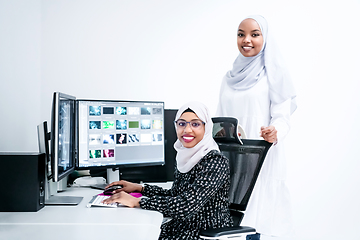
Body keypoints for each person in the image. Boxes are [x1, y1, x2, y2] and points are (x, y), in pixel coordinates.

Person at [216, 15, 297, 239]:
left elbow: (283, 117)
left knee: (261, 221)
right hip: (232, 159)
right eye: (241, 34)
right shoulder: (228, 78)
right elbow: (220, 118)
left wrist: (275, 130)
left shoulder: (273, 75)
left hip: (262, 156)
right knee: (233, 222)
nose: (246, 40)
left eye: (255, 34)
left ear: (265, 37)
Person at [103, 101, 233, 240]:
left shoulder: (214, 161)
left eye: (195, 124)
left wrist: (139, 202)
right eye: (182, 124)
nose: (187, 130)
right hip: (182, 227)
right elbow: (175, 195)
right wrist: (140, 189)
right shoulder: (186, 155)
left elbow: (185, 205)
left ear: (206, 128)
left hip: (204, 232)